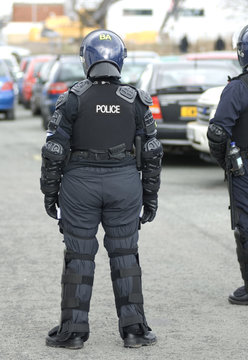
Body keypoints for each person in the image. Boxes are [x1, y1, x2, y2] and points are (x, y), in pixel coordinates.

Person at [40, 29, 163, 349]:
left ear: (87, 60)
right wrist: (150, 197)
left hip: (80, 186)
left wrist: (49, 193)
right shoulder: (135, 99)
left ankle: (74, 332)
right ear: (120, 59)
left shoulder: (73, 98)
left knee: (79, 256)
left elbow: (53, 151)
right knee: (125, 253)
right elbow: (151, 153)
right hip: (124, 184)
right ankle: (135, 329)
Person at [207, 24, 248, 305]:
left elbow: (218, 131)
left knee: (245, 225)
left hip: (244, 165)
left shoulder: (237, 88)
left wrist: (225, 162)